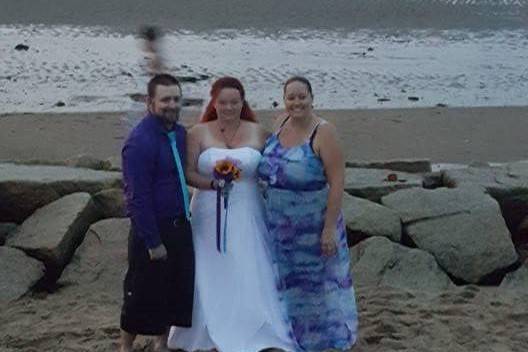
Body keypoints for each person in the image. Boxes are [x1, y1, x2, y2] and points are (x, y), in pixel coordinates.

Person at [167, 77, 295, 352]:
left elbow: (277, 166)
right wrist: (212, 184)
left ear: (242, 102)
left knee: (248, 263)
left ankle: (255, 326)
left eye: (234, 102)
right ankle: (207, 329)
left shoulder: (258, 132)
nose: (228, 107)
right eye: (222, 102)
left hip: (248, 207)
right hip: (206, 210)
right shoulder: (198, 133)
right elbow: (188, 172)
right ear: (214, 103)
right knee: (209, 267)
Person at [257, 76, 358, 351]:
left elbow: (337, 182)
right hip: (278, 223)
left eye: (302, 96)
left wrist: (328, 229)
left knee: (316, 284)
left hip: (313, 224)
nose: (296, 102)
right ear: (284, 99)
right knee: (285, 282)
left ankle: (320, 339)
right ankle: (289, 335)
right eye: (291, 97)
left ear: (312, 98)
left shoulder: (324, 132)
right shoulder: (279, 123)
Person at [119, 74, 195, 352]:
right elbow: (136, 198)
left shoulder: (180, 133)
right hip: (151, 229)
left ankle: (161, 344)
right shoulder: (139, 142)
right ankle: (125, 347)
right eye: (165, 99)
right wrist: (152, 242)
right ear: (151, 102)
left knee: (172, 290)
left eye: (176, 99)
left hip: (179, 223)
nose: (171, 104)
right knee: (139, 293)